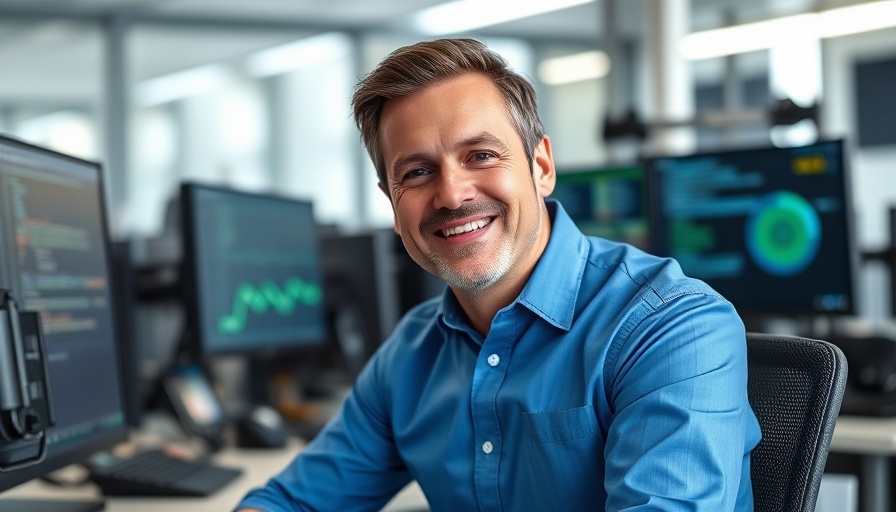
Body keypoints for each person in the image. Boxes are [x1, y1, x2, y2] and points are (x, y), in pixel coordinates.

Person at [235, 37, 761, 511]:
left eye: (481, 155)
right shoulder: (410, 357)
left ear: (542, 166)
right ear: (393, 208)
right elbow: (293, 502)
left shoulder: (673, 327)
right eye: (417, 172)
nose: (452, 194)